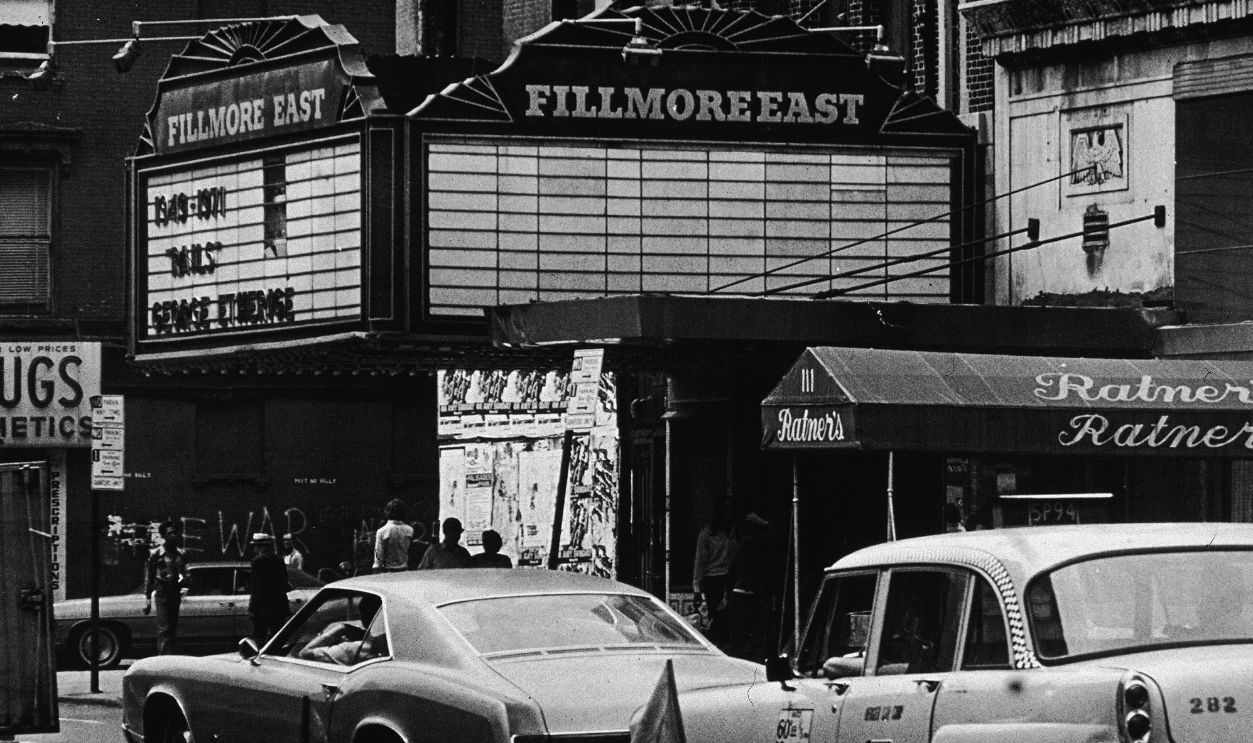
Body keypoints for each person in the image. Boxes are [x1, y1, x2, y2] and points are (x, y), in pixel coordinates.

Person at [724, 511, 781, 663]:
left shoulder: (742, 544)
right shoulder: (757, 542)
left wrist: (726, 595)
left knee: (738, 638)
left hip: (740, 593)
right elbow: (778, 533)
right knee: (758, 637)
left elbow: (731, 572)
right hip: (753, 595)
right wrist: (762, 521)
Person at [692, 499, 735, 645]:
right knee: (717, 617)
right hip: (713, 580)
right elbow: (700, 561)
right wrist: (696, 588)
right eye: (725, 510)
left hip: (729, 578)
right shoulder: (707, 534)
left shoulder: (732, 533)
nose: (728, 514)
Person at [144, 520, 189, 655]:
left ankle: (171, 659)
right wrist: (147, 599)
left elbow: (186, 573)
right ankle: (163, 660)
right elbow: (149, 577)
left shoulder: (181, 554)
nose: (174, 536)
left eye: (175, 533)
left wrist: (185, 578)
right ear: (164, 535)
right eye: (170, 533)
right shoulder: (156, 554)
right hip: (162, 594)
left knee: (173, 629)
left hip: (175, 594)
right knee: (164, 629)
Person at [299, 595, 382, 665]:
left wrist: (341, 628)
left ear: (363, 616)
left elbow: (304, 653)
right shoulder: (385, 645)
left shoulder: (348, 650)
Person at [249, 533, 292, 643]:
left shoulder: (256, 561)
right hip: (277, 606)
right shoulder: (279, 560)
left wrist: (252, 608)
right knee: (277, 637)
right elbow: (284, 583)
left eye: (255, 546)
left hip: (261, 607)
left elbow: (257, 587)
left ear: (259, 546)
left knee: (259, 637)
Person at [373, 498, 414, 572]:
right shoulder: (410, 530)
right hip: (405, 571)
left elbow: (378, 558)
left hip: (388, 572)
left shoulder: (382, 531)